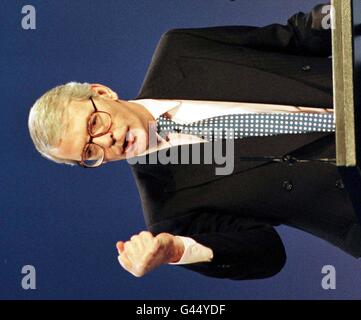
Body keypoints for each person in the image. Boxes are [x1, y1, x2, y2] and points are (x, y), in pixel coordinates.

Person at [28, 3, 361, 280]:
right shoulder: (169, 211)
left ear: (102, 93)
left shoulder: (180, 50)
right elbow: (267, 254)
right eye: (90, 151)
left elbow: (295, 37)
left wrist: (344, 8)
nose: (108, 140)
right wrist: (177, 250)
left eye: (95, 123)